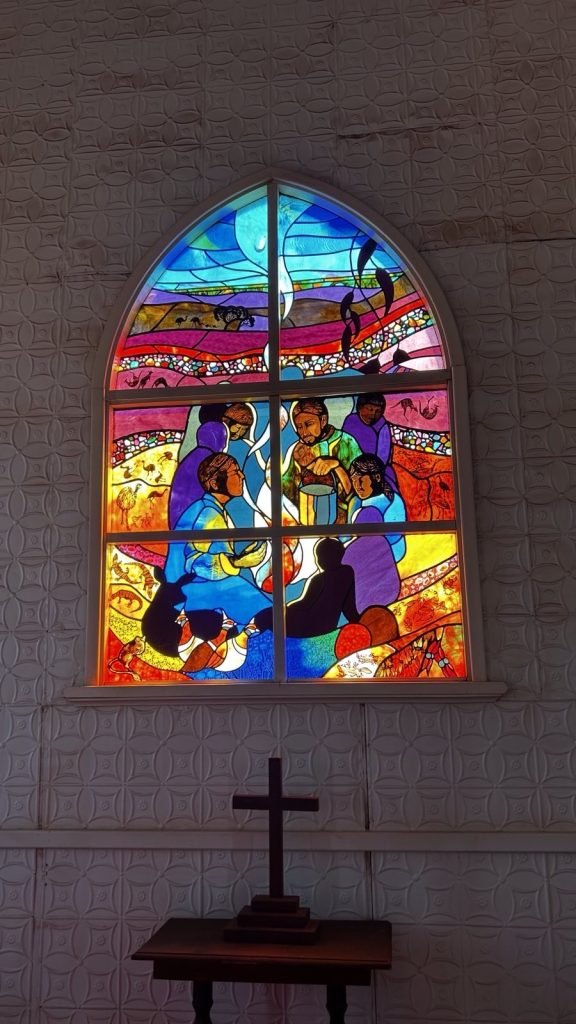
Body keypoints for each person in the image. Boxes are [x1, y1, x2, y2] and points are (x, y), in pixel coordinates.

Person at [164, 452, 272, 645]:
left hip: (194, 588)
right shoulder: (209, 513)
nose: (242, 476)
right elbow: (193, 563)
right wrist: (236, 562)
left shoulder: (207, 507)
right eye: (235, 472)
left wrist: (237, 560)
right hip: (191, 591)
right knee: (268, 614)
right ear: (215, 483)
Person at [342, 454, 407, 614]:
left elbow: (393, 538)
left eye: (361, 479)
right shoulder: (356, 502)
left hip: (389, 553)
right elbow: (349, 535)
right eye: (353, 480)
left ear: (376, 477)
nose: (357, 485)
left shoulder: (393, 502)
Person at [282, 398, 362, 523]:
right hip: (308, 519)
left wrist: (336, 465)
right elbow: (288, 488)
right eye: (299, 427)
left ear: (323, 420)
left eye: (309, 424)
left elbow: (360, 491)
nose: (304, 432)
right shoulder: (299, 450)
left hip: (344, 521)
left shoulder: (346, 442)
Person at [168, 420, 228, 528]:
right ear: (214, 438)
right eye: (222, 438)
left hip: (181, 520)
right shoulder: (209, 461)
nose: (224, 444)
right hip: (194, 520)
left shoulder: (192, 457)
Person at [342, 393, 398, 491]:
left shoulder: (382, 425)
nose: (373, 414)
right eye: (370, 409)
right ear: (360, 407)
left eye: (378, 411)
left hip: (378, 473)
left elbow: (382, 458)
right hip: (351, 470)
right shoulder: (350, 421)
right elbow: (344, 449)